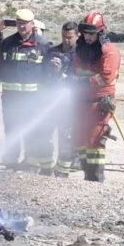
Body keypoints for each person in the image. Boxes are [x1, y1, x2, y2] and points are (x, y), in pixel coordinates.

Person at [0, 9, 55, 174]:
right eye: (19, 23)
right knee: (11, 130)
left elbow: (49, 74)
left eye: (25, 23)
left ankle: (30, 164)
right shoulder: (8, 43)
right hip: (11, 98)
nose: (22, 26)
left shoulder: (44, 45)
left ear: (32, 24)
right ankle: (11, 163)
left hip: (33, 99)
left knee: (31, 130)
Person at [69, 11, 120, 183]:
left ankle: (96, 179)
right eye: (85, 33)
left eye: (92, 33)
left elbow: (105, 77)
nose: (88, 37)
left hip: (99, 104)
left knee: (94, 140)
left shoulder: (110, 52)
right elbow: (74, 71)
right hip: (80, 102)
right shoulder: (80, 50)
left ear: (100, 33)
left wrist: (82, 81)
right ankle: (87, 177)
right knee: (81, 139)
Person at [50, 21, 79, 178]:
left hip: (70, 105)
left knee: (66, 138)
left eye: (69, 37)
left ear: (77, 36)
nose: (66, 40)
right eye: (63, 36)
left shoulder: (81, 54)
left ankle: (62, 172)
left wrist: (62, 73)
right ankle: (45, 167)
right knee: (45, 134)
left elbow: (80, 79)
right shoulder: (53, 51)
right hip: (50, 102)